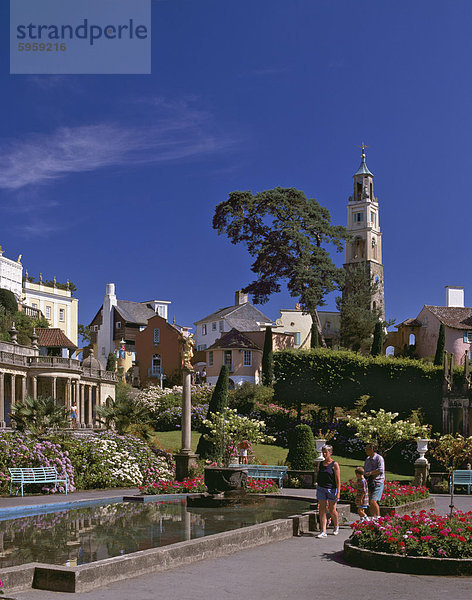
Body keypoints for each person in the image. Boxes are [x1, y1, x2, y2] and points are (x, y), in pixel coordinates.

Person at [316, 444, 341, 538]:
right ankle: (323, 531)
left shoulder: (334, 464)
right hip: (321, 488)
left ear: (330, 453)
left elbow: (338, 480)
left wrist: (338, 492)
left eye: (326, 452)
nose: (324, 454)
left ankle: (336, 526)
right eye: (323, 452)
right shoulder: (321, 464)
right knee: (322, 509)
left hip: (332, 489)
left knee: (332, 510)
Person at [364, 443, 385, 518]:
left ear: (372, 450)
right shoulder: (368, 459)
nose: (365, 451)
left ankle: (378, 517)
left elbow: (380, 470)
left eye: (367, 449)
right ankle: (373, 517)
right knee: (370, 501)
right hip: (370, 482)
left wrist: (370, 473)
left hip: (377, 482)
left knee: (373, 501)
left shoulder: (379, 458)